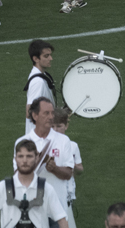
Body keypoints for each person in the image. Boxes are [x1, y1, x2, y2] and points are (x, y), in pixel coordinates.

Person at [0, 139, 70, 228]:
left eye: (29, 156)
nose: (24, 160)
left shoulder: (47, 188)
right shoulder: (3, 187)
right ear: (15, 158)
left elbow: (62, 221)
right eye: (20, 156)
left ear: (37, 158)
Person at [15, 97, 77, 228]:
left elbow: (68, 174)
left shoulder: (63, 140)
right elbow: (18, 177)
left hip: (57, 209)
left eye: (52, 113)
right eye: (46, 113)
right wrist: (36, 162)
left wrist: (54, 169)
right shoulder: (23, 142)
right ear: (35, 115)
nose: (51, 117)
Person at [49, 108, 83, 216]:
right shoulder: (45, 145)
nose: (55, 129)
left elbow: (80, 169)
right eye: (52, 126)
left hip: (67, 193)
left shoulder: (73, 146)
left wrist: (72, 165)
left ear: (66, 126)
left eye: (59, 126)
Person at [23, 40, 56, 135]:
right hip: (39, 139)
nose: (51, 58)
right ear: (36, 59)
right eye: (46, 56)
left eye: (50, 55)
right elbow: (30, 112)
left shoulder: (43, 75)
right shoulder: (38, 82)